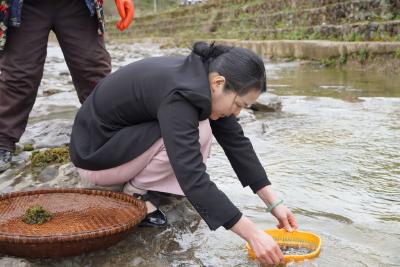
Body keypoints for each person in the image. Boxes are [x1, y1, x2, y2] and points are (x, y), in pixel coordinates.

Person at [69, 42, 298, 265]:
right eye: (238, 104)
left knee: (201, 128)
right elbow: (192, 177)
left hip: (116, 141)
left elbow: (236, 142)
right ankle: (134, 196)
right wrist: (253, 235)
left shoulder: (203, 76)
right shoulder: (182, 95)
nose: (236, 113)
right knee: (200, 132)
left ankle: (145, 185)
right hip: (96, 159)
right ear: (219, 83)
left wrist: (273, 202)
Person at [0, 0, 134, 172]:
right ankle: (2, 142)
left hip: (78, 5)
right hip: (24, 6)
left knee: (93, 71)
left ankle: (110, 133)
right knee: (19, 75)